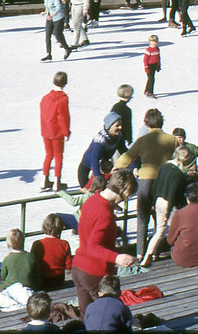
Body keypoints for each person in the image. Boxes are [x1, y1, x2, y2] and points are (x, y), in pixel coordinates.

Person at [71, 169, 137, 315]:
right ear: (123, 191)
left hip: (78, 267)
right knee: (108, 314)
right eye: (127, 195)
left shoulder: (93, 200)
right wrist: (117, 258)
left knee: (87, 316)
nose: (126, 199)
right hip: (94, 272)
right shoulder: (105, 213)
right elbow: (93, 247)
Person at [113, 109, 176, 259]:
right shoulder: (171, 139)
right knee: (159, 218)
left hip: (145, 180)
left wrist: (117, 167)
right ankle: (154, 251)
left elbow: (127, 157)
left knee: (142, 217)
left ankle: (140, 253)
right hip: (163, 181)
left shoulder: (143, 140)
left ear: (146, 123)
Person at [138, 145, 190, 267]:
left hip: (158, 201)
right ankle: (184, 253)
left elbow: (156, 185)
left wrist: (152, 203)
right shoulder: (178, 174)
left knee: (159, 231)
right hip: (168, 204)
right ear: (183, 160)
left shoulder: (164, 167)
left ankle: (147, 256)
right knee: (180, 229)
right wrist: (170, 210)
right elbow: (173, 193)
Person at [39, 72, 71, 192]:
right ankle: (57, 182)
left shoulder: (46, 97)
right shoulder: (62, 98)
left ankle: (44, 179)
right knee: (58, 156)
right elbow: (63, 116)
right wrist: (66, 132)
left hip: (46, 130)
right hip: (56, 132)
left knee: (48, 155)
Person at [77, 113, 128, 189]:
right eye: (117, 125)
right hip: (86, 167)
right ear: (109, 126)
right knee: (89, 193)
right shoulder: (100, 140)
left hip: (103, 167)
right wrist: (98, 178)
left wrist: (134, 166)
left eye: (120, 125)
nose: (120, 127)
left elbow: (125, 153)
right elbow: (94, 160)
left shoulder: (118, 136)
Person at [30, 214, 72, 291]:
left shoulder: (37, 244)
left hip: (41, 281)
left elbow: (32, 263)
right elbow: (69, 266)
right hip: (58, 281)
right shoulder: (64, 244)